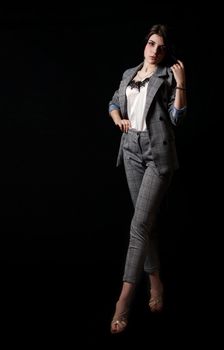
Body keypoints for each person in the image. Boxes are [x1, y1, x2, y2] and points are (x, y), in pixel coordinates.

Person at [108, 23, 187, 334]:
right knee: (146, 221)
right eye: (152, 43)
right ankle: (156, 282)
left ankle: (123, 301)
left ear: (166, 52)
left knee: (139, 225)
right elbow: (114, 102)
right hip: (130, 150)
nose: (155, 50)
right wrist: (118, 119)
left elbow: (178, 118)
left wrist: (182, 82)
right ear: (145, 45)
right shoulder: (129, 74)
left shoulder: (167, 76)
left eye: (161, 47)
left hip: (157, 154)